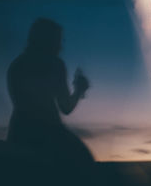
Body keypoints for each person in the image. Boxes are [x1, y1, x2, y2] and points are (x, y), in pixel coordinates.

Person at [7, 17, 90, 147]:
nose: (60, 47)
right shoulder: (55, 65)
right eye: (58, 40)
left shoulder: (17, 65)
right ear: (48, 41)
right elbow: (66, 107)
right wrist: (79, 90)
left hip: (19, 135)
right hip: (49, 138)